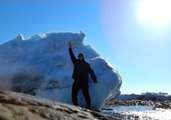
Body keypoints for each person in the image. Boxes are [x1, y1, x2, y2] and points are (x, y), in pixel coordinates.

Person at [68, 41, 97, 109]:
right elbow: (72, 56)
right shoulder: (76, 62)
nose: (80, 57)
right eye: (79, 57)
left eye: (81, 57)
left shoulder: (86, 64)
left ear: (83, 57)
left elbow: (91, 71)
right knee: (73, 94)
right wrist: (70, 48)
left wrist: (94, 78)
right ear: (78, 57)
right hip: (77, 81)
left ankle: (89, 107)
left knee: (86, 95)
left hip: (84, 82)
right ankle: (75, 107)